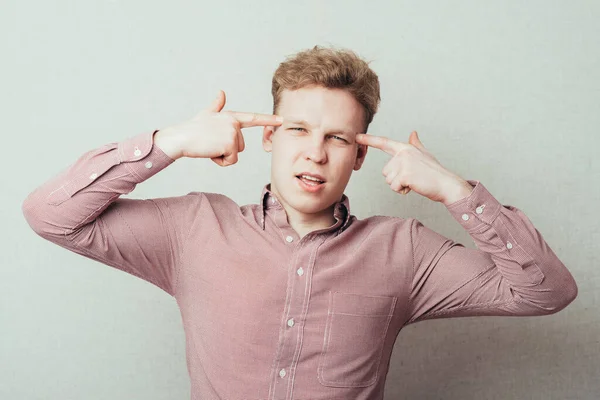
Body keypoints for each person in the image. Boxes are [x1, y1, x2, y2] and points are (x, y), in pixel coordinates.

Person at [22, 46, 577, 400]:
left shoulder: (404, 251)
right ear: (269, 136)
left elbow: (546, 292)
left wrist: (455, 190)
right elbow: (51, 216)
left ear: (359, 157)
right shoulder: (193, 230)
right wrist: (170, 144)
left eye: (337, 138)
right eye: (298, 131)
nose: (315, 154)